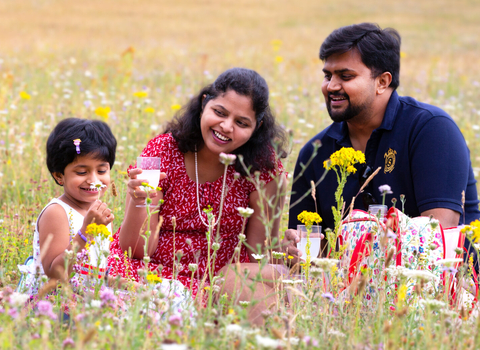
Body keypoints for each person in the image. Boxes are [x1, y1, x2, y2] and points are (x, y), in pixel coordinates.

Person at [107, 67, 288, 324]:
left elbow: (255, 254)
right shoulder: (162, 150)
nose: (226, 127)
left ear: (256, 127)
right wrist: (139, 202)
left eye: (241, 123)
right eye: (220, 112)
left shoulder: (262, 169)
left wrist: (274, 194)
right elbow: (134, 250)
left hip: (220, 282)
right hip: (152, 274)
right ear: (205, 103)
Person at [285, 23, 480, 261]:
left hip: (436, 286)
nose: (331, 86)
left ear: (383, 82)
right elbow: (308, 253)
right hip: (342, 291)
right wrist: (294, 251)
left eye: (346, 76)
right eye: (328, 75)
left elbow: (435, 239)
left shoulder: (431, 129)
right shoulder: (315, 153)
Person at [19, 118, 117, 295]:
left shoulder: (100, 214)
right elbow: (55, 273)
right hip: (54, 301)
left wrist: (128, 285)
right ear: (59, 176)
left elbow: (95, 271)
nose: (94, 180)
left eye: (101, 171)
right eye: (81, 172)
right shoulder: (57, 212)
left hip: (87, 295)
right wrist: (86, 230)